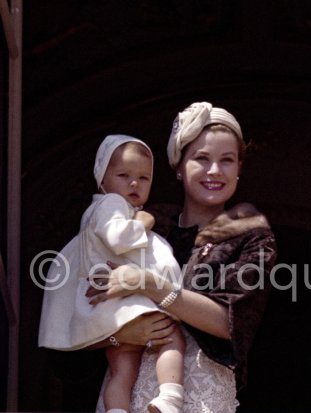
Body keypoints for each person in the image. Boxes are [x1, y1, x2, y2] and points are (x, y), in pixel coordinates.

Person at [87, 102, 277, 413]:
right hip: (125, 394)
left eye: (227, 160)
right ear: (178, 165)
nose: (214, 171)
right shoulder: (140, 225)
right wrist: (118, 337)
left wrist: (149, 284)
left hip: (202, 394)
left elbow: (231, 323)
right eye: (201, 158)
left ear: (239, 168)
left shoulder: (252, 237)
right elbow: (82, 307)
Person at [38, 135, 187, 413]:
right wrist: (142, 224)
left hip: (116, 317)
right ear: (102, 179)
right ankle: (170, 398)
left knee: (122, 371)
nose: (134, 183)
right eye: (123, 175)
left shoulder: (119, 211)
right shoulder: (111, 206)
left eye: (144, 177)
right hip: (126, 307)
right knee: (171, 338)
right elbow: (118, 238)